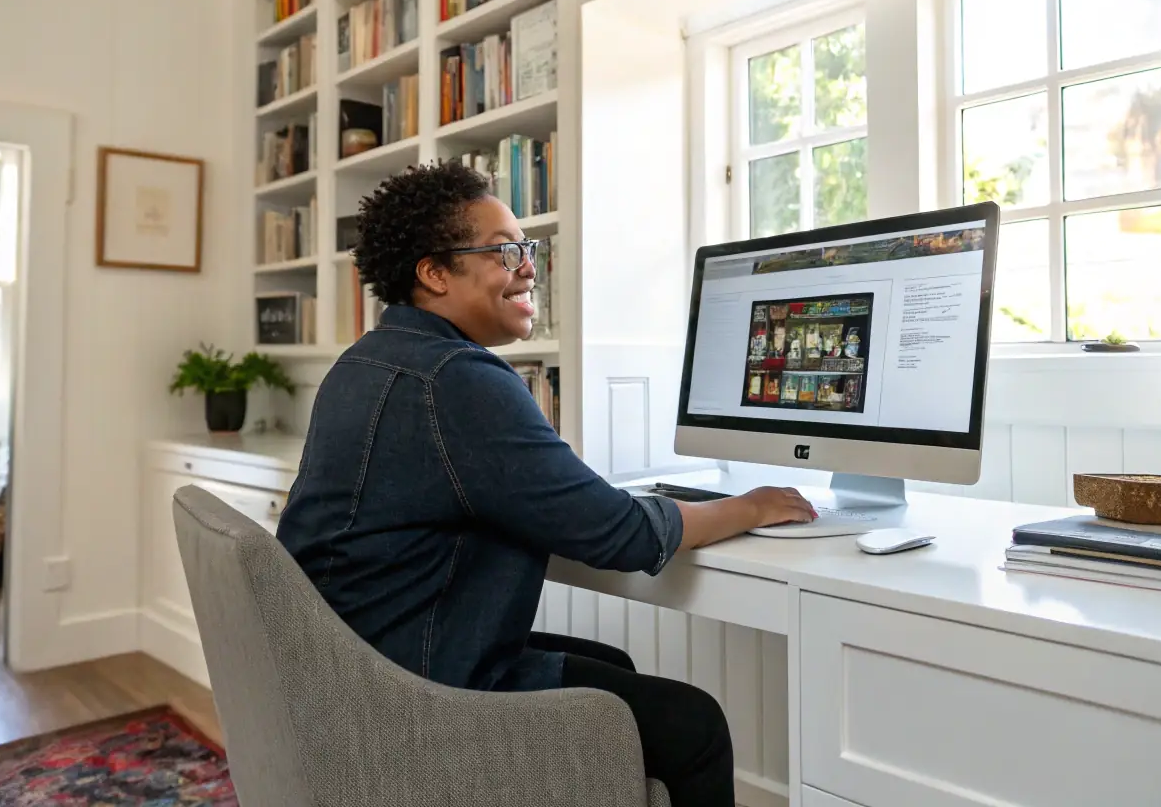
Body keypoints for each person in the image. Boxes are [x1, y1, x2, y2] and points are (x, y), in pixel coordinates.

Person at [276, 162, 816, 807]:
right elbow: (617, 535)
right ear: (435, 273)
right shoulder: (457, 379)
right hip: (412, 689)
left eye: (528, 249)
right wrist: (750, 507)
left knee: (611, 668)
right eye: (507, 251)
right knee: (695, 725)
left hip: (349, 667)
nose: (530, 266)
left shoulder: (365, 359)